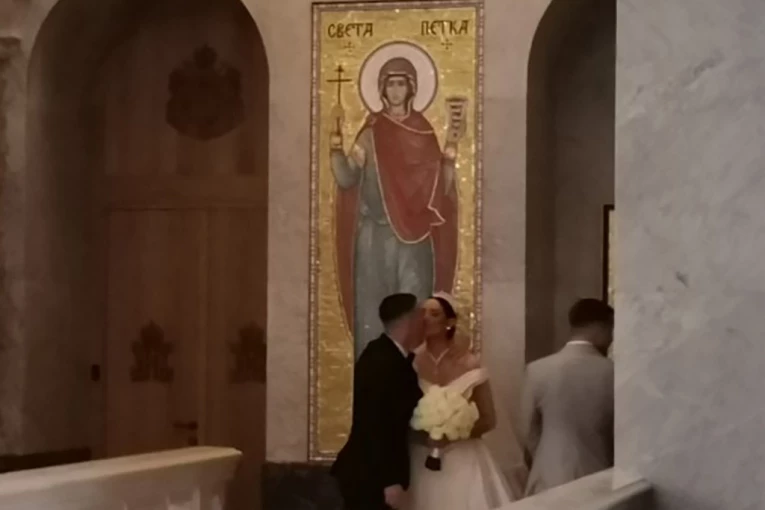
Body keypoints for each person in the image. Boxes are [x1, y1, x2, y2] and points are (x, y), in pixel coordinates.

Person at [330, 55, 461, 359]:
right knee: (373, 306)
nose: (396, 90)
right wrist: (335, 144)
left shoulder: (424, 133)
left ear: (411, 88)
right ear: (382, 89)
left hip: (414, 239)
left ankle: (414, 371)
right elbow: (347, 177)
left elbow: (440, 189)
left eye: (402, 83)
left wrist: (452, 147)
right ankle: (372, 369)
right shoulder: (371, 133)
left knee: (413, 307)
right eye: (391, 84)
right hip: (374, 236)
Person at [408, 292, 515, 510]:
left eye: (434, 314)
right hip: (420, 456)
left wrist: (455, 431)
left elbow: (488, 419)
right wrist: (425, 437)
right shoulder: (411, 362)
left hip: (463, 459)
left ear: (450, 322)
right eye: (422, 313)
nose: (426, 318)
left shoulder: (469, 363)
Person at [331, 293, 425, 510]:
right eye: (420, 315)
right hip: (370, 476)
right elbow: (375, 423)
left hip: (375, 474)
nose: (424, 322)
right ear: (408, 319)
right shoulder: (379, 360)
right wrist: (390, 481)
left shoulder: (394, 357)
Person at [520, 298, 615, 496]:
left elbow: (527, 430)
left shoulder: (537, 370)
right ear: (601, 327)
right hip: (599, 477)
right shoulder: (613, 372)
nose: (611, 338)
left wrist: (546, 459)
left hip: (548, 476)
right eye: (611, 329)